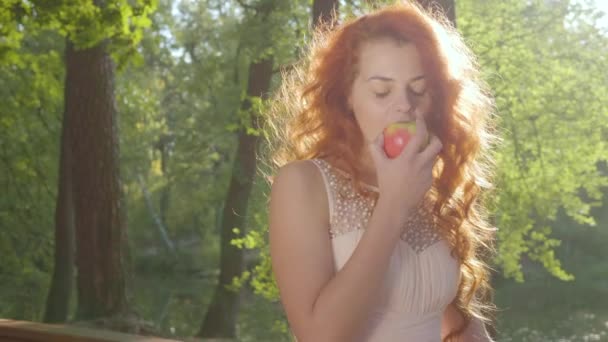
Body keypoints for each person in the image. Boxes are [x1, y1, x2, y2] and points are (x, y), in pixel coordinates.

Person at [265, 2, 499, 341]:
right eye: (382, 90)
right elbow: (319, 336)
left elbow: (453, 322)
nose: (404, 104)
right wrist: (394, 204)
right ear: (347, 95)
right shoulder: (303, 184)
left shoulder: (430, 187)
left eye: (418, 88)